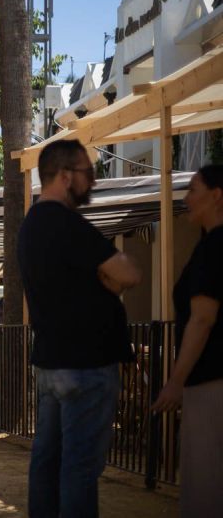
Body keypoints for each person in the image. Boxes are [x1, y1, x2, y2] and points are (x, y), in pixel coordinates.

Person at [17, 139, 142, 518]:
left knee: (47, 464)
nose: (94, 181)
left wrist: (104, 278)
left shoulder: (30, 226)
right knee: (79, 469)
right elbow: (129, 273)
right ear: (66, 176)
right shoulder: (68, 224)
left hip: (51, 363)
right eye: (89, 172)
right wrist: (107, 279)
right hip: (87, 365)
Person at [152, 164, 223, 515]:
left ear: (217, 196)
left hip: (211, 382)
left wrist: (176, 381)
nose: (186, 199)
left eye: (193, 190)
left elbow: (202, 318)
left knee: (205, 487)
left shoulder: (214, 247)